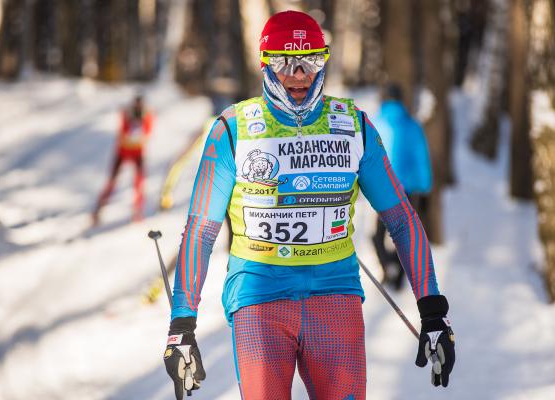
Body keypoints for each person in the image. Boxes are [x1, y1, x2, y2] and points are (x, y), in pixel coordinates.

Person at [162, 11, 455, 400]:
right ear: (265, 62)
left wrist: (432, 309)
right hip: (260, 299)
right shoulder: (232, 129)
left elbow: (401, 218)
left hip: (334, 297)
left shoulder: (352, 125)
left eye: (310, 60)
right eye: (285, 62)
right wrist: (183, 322)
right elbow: (201, 231)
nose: (298, 74)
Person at [372, 84, 433, 289]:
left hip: (381, 186)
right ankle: (397, 275)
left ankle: (387, 267)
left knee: (378, 233)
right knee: (401, 234)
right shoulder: (412, 125)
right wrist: (424, 189)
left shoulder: (375, 122)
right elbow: (421, 158)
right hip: (404, 188)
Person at [92, 94, 153, 224]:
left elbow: (148, 133)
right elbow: (123, 132)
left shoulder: (147, 116)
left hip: (138, 153)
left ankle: (138, 211)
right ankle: (98, 209)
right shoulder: (126, 114)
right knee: (112, 181)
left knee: (139, 182)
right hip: (123, 152)